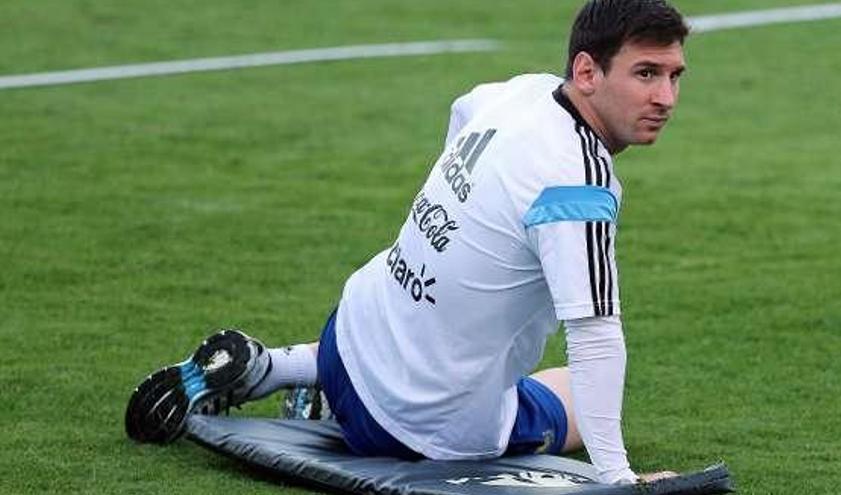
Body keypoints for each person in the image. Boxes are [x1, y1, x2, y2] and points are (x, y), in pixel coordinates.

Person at [125, 0, 689, 485]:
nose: (666, 97)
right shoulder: (580, 180)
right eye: (645, 74)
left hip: (346, 334)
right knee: (568, 393)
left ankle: (275, 370)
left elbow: (463, 107)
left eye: (674, 75)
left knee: (443, 333)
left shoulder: (523, 92)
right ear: (588, 72)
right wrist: (618, 478)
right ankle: (308, 391)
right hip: (416, 430)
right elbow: (593, 334)